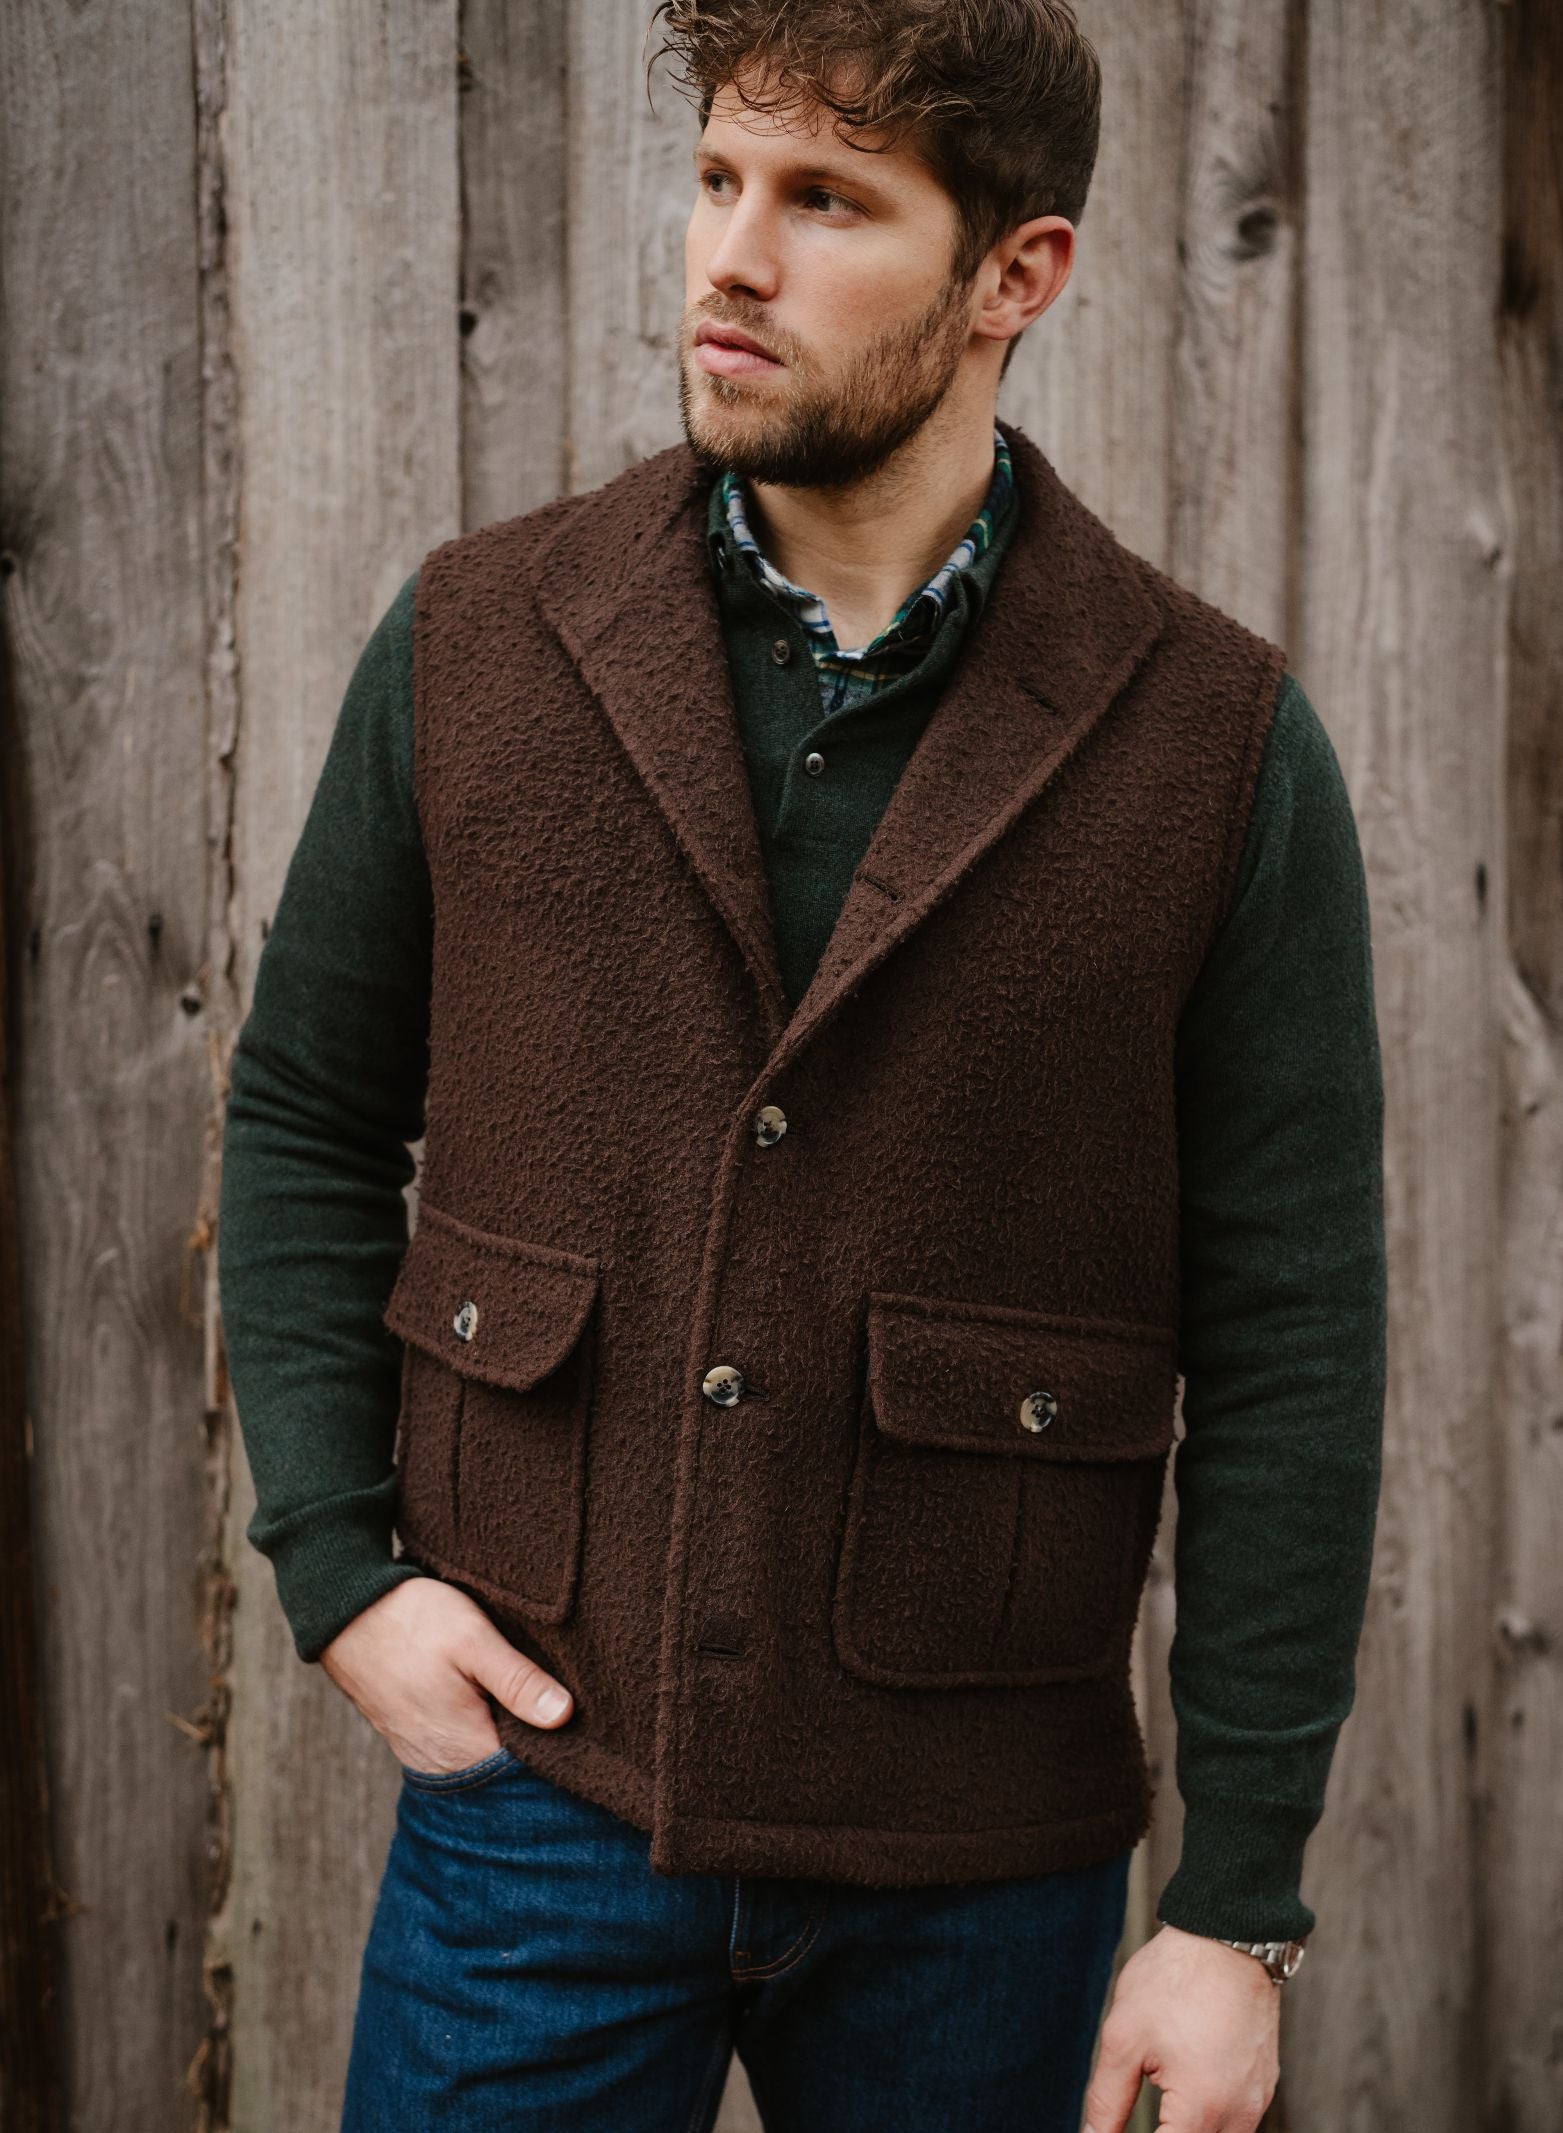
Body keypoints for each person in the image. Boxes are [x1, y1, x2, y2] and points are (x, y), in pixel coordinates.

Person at [217, 3, 1387, 2128]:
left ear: (1013, 275)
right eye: (717, 182)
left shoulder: (1214, 745)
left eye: (827, 202)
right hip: (536, 1801)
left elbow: (1293, 1331)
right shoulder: (478, 639)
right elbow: (304, 1111)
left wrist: (1235, 1907)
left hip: (985, 1864)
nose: (730, 258)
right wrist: (339, 1568)